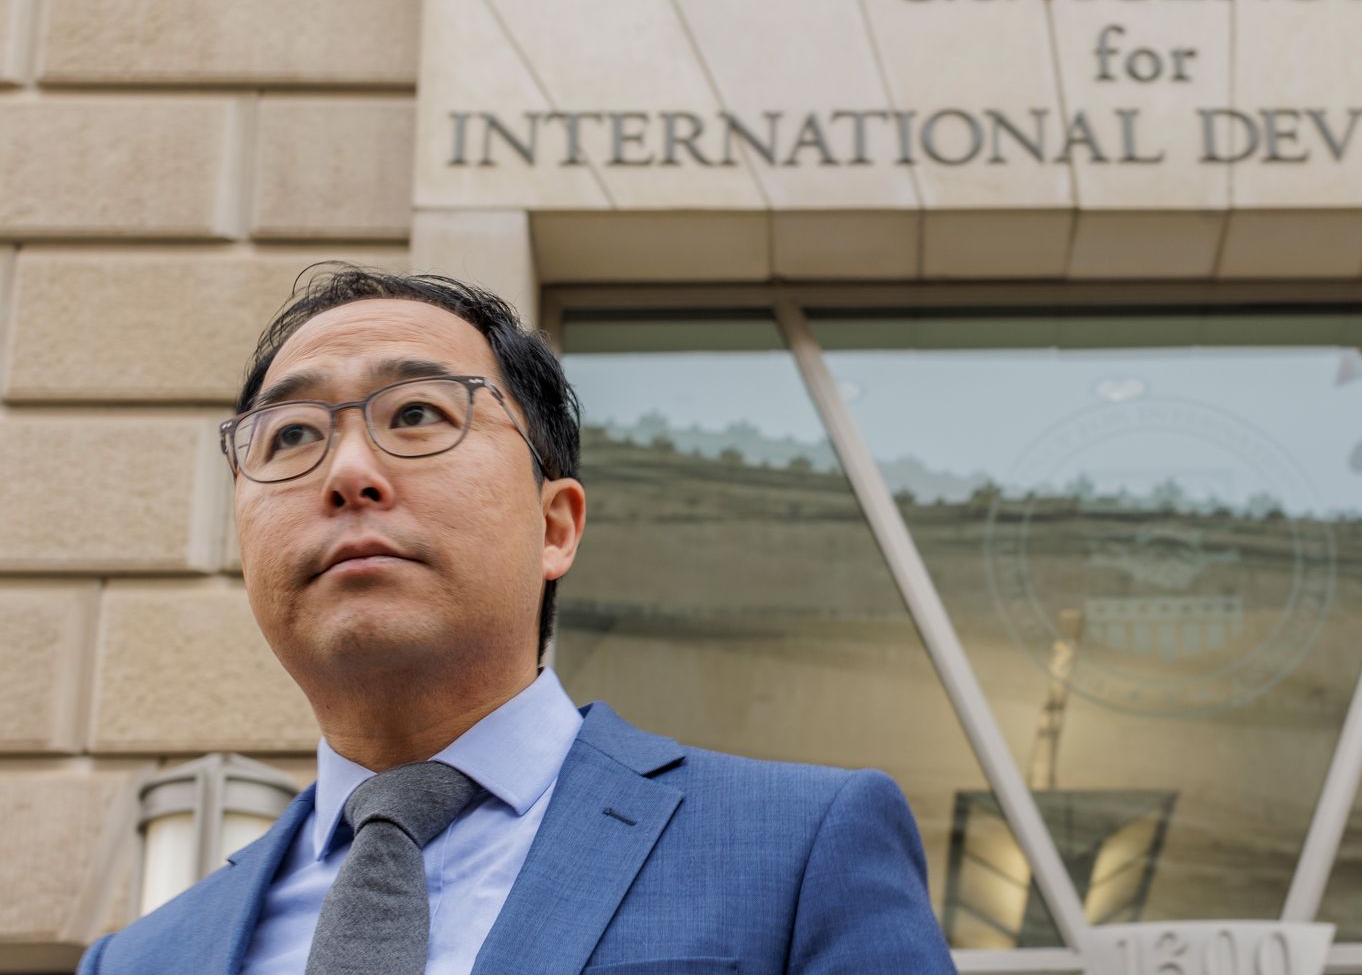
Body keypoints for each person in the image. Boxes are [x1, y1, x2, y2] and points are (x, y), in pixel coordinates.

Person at [79, 266, 958, 975]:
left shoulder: (800, 848)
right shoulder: (141, 959)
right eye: (292, 436)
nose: (347, 473)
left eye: (416, 414)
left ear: (555, 526)